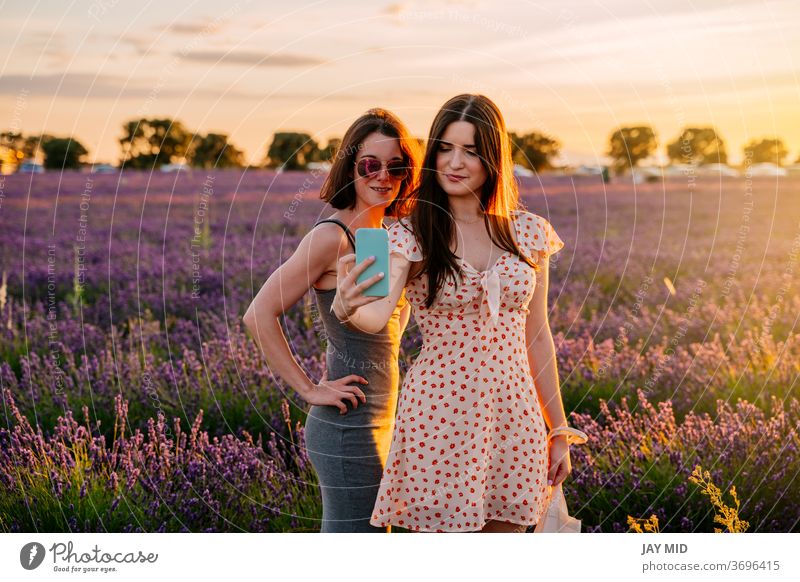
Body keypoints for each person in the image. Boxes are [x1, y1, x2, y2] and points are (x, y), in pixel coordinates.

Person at [332, 94, 572, 532]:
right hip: (439, 417)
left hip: (514, 418)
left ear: (493, 158)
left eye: (471, 150)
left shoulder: (530, 232)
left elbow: (538, 335)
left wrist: (558, 429)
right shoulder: (408, 233)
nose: (455, 162)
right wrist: (349, 306)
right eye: (445, 147)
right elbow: (375, 316)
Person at [243, 108, 421, 532]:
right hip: (348, 424)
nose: (383, 176)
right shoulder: (332, 236)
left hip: (384, 417)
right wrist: (308, 388)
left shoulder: (383, 234)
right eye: (370, 166)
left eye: (396, 166)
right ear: (350, 166)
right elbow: (258, 314)